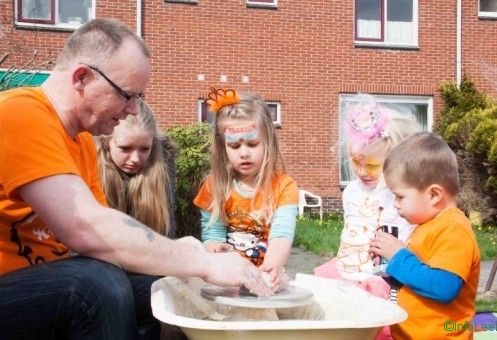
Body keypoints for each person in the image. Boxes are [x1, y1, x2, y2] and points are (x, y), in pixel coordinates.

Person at [0, 18, 272, 340]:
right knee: (95, 285)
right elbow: (88, 231)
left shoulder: (81, 141)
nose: (132, 109)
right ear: (82, 77)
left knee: (165, 290)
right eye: (127, 95)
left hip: (39, 289)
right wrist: (200, 262)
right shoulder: (21, 115)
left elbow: (107, 243)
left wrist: (178, 254)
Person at [369, 132, 481, 339]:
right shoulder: (428, 225)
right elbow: (417, 281)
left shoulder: (453, 228)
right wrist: (387, 267)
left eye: (400, 196)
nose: (395, 203)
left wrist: (398, 256)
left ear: (434, 195)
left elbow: (443, 286)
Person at [315, 94, 420, 302]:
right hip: (347, 274)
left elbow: (411, 235)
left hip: (383, 280)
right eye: (355, 162)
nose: (362, 172)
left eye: (372, 166)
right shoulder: (351, 191)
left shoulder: (398, 195)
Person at [194, 87, 299, 293]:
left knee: (282, 286)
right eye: (234, 147)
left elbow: (281, 235)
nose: (244, 153)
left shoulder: (284, 187)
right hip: (228, 273)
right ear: (223, 148)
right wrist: (214, 248)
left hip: (268, 271)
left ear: (268, 142)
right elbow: (212, 233)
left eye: (252, 144)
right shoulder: (213, 186)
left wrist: (270, 269)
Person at [97, 99, 178, 239]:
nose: (135, 159)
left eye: (144, 149)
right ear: (105, 142)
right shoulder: (89, 162)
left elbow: (166, 230)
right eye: (125, 148)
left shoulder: (163, 165)